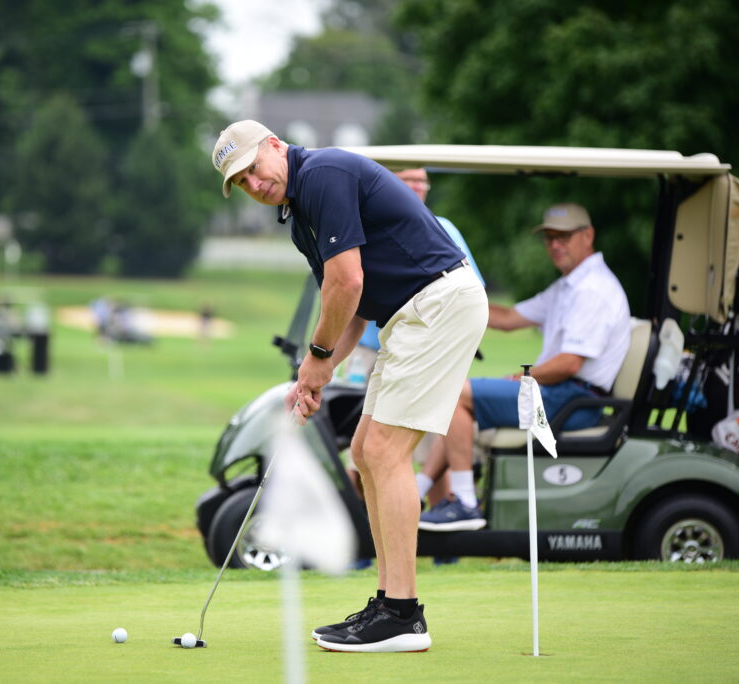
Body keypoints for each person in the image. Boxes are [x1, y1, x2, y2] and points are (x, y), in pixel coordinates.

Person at [212, 120, 488, 653]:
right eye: (240, 182)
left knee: (383, 451)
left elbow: (348, 281)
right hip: (409, 314)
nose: (253, 183)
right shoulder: (300, 220)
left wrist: (315, 360)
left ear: (275, 145)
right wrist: (316, 376)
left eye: (253, 168)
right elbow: (352, 309)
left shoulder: (324, 173)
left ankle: (404, 614)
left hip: (437, 304)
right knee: (364, 452)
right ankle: (388, 603)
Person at [418, 202, 631, 532]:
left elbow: (570, 363)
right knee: (458, 397)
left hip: (574, 401)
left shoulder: (593, 290)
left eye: (564, 236)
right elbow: (507, 319)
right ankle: (417, 494)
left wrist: (523, 377)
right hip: (557, 392)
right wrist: (451, 300)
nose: (555, 245)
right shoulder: (568, 287)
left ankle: (465, 504)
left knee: (456, 394)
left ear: (587, 235)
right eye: (549, 238)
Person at [343, 167, 485, 511]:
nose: (417, 187)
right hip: (368, 349)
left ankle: (436, 534)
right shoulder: (368, 225)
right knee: (360, 449)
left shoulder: (442, 227)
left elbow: (469, 285)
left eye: (423, 181)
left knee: (412, 449)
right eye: (409, 180)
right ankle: (367, 534)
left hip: (416, 349)